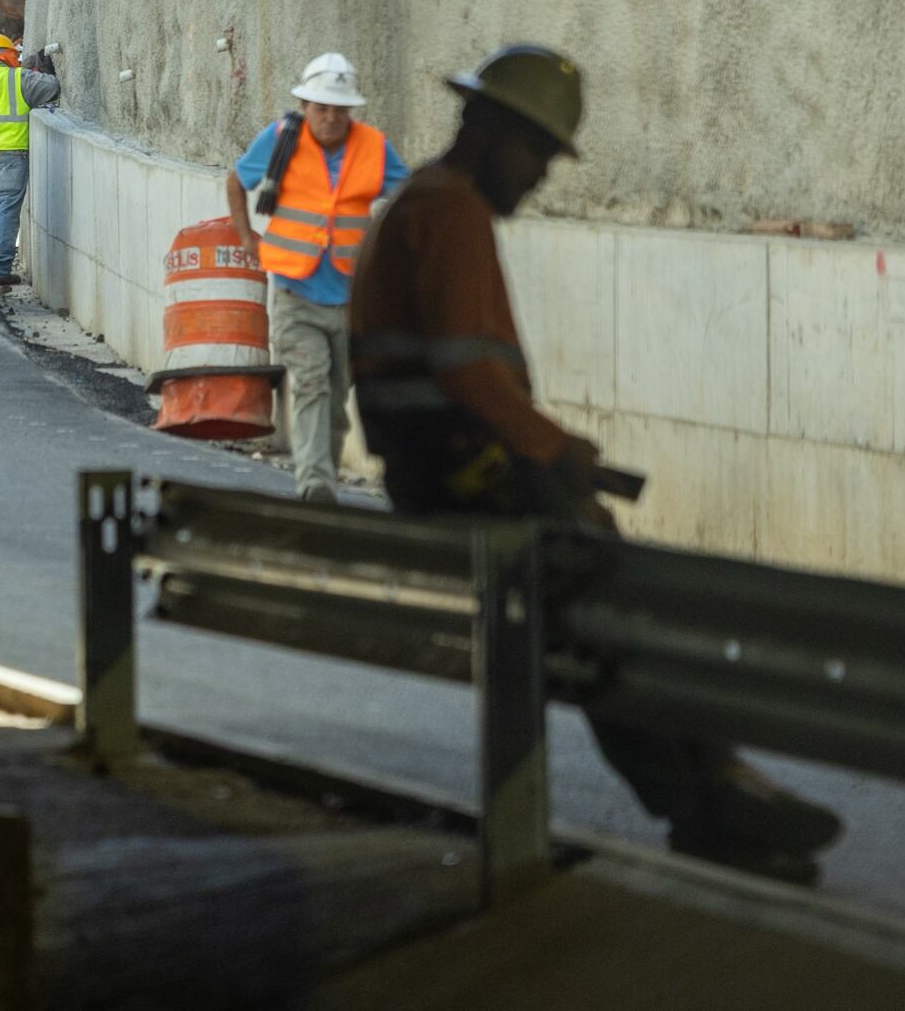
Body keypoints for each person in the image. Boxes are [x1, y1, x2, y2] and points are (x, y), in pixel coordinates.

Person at [349, 43, 846, 883]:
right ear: (488, 130)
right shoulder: (452, 212)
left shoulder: (421, 204)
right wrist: (559, 452)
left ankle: (716, 788)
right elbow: (469, 373)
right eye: (534, 152)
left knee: (609, 618)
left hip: (440, 479)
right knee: (619, 620)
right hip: (470, 486)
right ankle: (711, 799)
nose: (539, 174)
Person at [225, 53, 407, 505]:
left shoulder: (373, 147)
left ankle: (322, 475)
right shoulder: (281, 139)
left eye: (339, 109)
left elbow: (409, 197)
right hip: (294, 291)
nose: (330, 118)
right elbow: (236, 179)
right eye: (321, 108)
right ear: (305, 106)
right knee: (310, 382)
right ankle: (315, 485)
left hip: (351, 299)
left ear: (352, 111)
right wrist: (247, 237)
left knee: (337, 395)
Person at [0, 33, 60, 286]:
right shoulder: (18, 77)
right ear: (7, 54)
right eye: (15, 55)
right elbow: (51, 87)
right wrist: (40, 71)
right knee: (6, 214)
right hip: (12, 154)